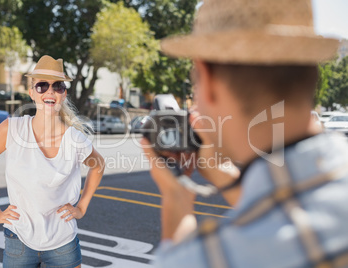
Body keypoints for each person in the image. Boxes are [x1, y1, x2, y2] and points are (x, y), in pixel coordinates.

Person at [141, 0, 348, 267]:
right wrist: (217, 171)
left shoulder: (211, 258)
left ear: (209, 79)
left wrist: (177, 197)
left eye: (195, 83)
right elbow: (288, 202)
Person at [0, 55, 105, 268]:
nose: (50, 91)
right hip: (18, 241)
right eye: (42, 85)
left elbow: (98, 165)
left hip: (63, 245)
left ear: (63, 94)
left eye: (57, 86)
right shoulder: (11, 129)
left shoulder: (75, 139)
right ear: (31, 92)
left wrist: (82, 207)